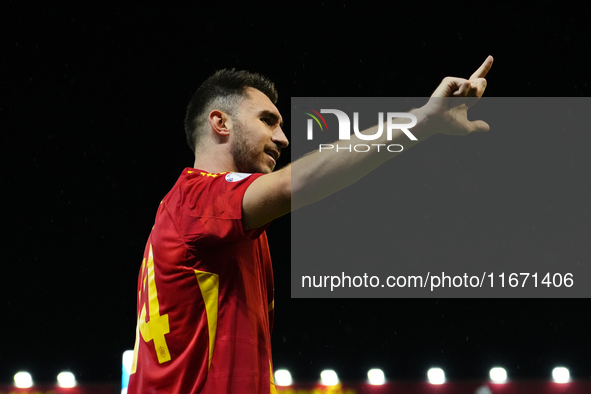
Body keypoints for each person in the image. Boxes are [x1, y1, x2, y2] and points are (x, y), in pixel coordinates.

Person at [127, 56, 494, 394]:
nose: (283, 139)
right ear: (220, 122)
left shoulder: (200, 217)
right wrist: (422, 120)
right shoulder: (197, 200)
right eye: (267, 121)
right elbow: (296, 184)